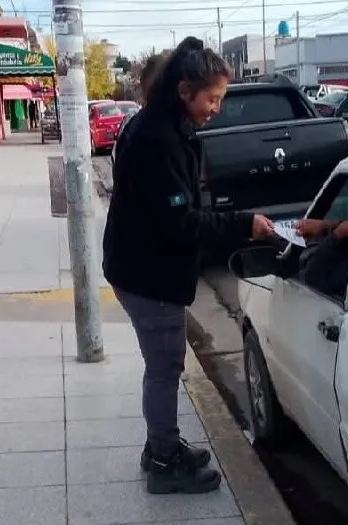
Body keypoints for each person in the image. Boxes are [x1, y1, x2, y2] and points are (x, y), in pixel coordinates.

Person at [103, 37, 275, 495]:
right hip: (147, 274)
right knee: (164, 367)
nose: (216, 109)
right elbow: (180, 221)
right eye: (212, 99)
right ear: (184, 91)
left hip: (141, 265)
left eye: (220, 99)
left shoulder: (164, 125)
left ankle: (160, 445)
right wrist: (245, 224)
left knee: (164, 364)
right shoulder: (158, 139)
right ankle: (163, 461)